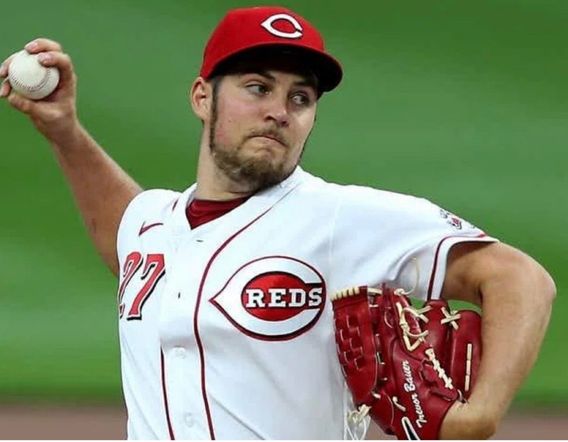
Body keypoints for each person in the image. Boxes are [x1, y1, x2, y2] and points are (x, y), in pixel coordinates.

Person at [0, 5, 555, 440]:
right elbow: (127, 239)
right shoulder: (153, 224)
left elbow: (521, 278)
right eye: (258, 88)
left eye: (300, 97)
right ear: (201, 97)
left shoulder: (341, 218)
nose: (279, 110)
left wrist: (479, 414)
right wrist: (65, 132)